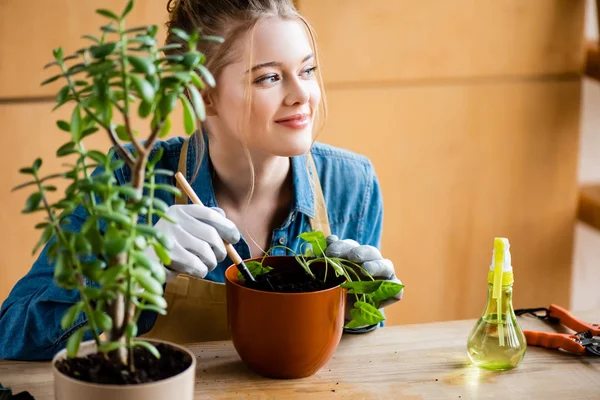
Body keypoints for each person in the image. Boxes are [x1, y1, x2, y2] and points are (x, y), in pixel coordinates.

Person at [0, 0, 403, 360]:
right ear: (201, 95)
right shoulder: (129, 178)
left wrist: (360, 310)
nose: (302, 95)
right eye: (268, 78)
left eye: (308, 69)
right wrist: (134, 267)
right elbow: (13, 334)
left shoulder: (352, 184)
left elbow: (354, 354)